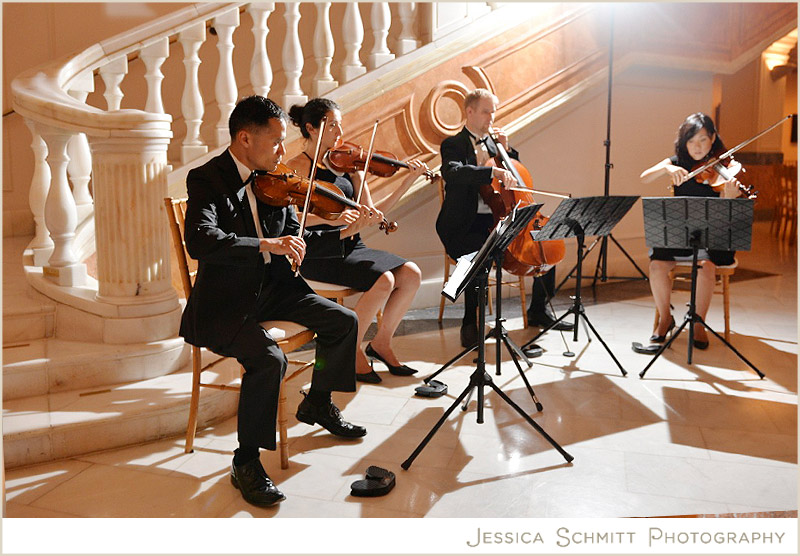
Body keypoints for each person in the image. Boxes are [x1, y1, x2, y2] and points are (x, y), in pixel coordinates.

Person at [180, 96, 367, 508]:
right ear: (245, 138)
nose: (285, 151)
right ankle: (245, 461)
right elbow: (200, 240)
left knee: (343, 321)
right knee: (269, 360)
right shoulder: (206, 179)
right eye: (278, 141)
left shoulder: (275, 179)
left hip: (275, 289)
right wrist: (267, 243)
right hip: (227, 302)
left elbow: (294, 235)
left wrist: (334, 231)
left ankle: (317, 400)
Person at [286, 98, 429, 384]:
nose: (340, 131)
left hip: (351, 245)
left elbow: (376, 212)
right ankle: (350, 349)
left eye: (341, 124)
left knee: (411, 274)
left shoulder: (351, 165)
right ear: (311, 128)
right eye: (332, 125)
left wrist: (407, 181)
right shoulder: (296, 167)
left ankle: (381, 343)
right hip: (317, 250)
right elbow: (293, 220)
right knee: (385, 280)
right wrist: (329, 219)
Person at [435, 88, 572, 351]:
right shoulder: (453, 144)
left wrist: (506, 150)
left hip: (497, 221)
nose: (491, 117)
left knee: (545, 241)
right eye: (486, 111)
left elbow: (517, 178)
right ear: (470, 111)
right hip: (463, 225)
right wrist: (489, 172)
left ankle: (538, 310)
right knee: (480, 255)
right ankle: (470, 323)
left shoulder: (494, 145)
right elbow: (453, 173)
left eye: (493, 111)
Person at [633, 112, 742, 354]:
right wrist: (665, 168)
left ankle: (698, 323)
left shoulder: (724, 168)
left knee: (706, 265)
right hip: (681, 235)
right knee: (657, 266)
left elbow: (728, 220)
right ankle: (665, 319)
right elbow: (644, 178)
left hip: (711, 238)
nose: (697, 147)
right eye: (691, 141)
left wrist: (729, 199)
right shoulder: (678, 164)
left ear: (713, 138)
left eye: (702, 140)